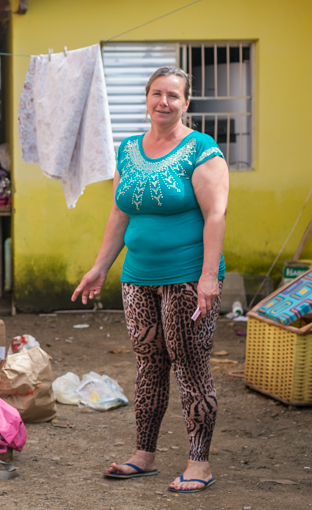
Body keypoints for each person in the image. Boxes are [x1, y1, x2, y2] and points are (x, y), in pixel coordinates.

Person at [71, 66, 229, 493]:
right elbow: (120, 212)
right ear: (146, 99)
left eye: (173, 96)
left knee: (191, 368)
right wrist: (101, 265)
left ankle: (199, 464)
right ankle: (143, 455)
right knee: (148, 365)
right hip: (138, 277)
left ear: (185, 103)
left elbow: (216, 214)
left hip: (186, 278)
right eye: (157, 93)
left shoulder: (202, 149)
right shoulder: (128, 150)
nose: (164, 102)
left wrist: (208, 278)